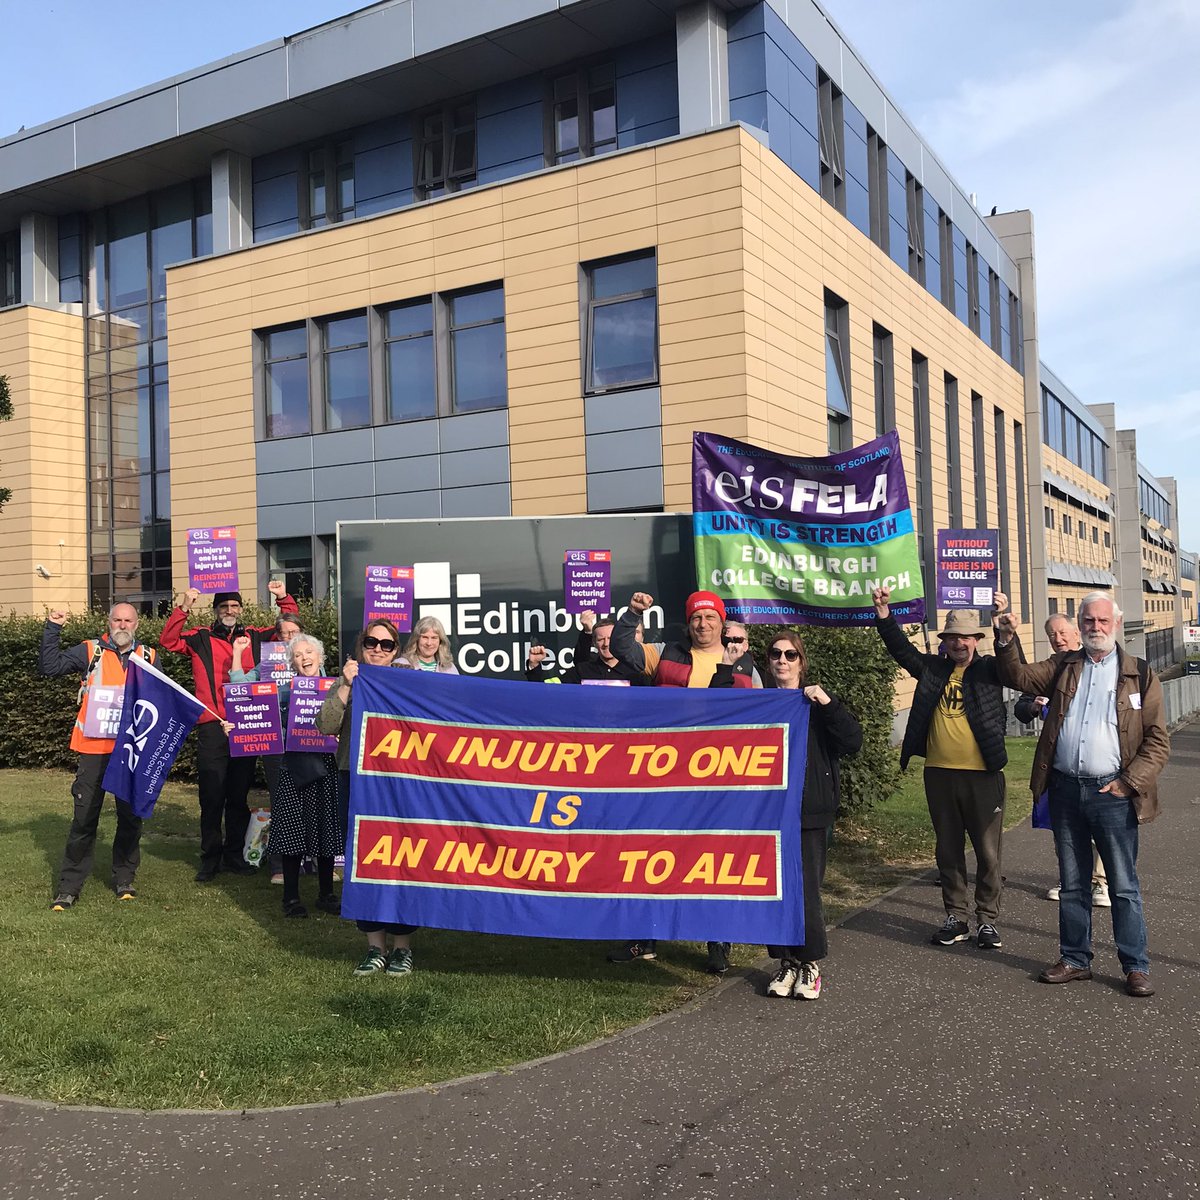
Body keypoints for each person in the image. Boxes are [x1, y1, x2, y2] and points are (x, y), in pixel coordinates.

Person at [995, 592, 1170, 997]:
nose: (1095, 628)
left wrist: (1129, 782)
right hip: (1066, 790)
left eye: (1102, 621)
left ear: (1116, 624)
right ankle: (1075, 959)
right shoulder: (1063, 666)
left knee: (1123, 886)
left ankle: (1135, 966)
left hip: (1114, 792)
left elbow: (1158, 741)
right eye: (1088, 621)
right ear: (1081, 625)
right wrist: (1005, 637)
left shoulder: (1140, 674)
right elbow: (1017, 677)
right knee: (1072, 883)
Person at [608, 588, 750, 972]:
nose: (703, 625)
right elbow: (623, 648)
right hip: (665, 773)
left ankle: (718, 939)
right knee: (653, 852)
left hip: (716, 778)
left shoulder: (743, 662)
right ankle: (645, 937)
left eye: (710, 618)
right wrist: (632, 614)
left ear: (722, 622)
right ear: (688, 623)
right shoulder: (665, 653)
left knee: (713, 857)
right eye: (696, 619)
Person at [872, 585, 1009, 950]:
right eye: (952, 638)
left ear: (976, 640)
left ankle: (987, 920)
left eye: (965, 637)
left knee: (988, 853)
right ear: (945, 641)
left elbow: (1015, 666)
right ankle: (956, 917)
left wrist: (1003, 629)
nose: (959, 644)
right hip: (940, 774)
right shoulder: (933, 669)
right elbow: (901, 651)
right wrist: (884, 614)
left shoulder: (990, 671)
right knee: (947, 850)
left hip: (983, 776)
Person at [160, 580, 298, 882]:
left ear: (241, 609)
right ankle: (210, 857)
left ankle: (235, 854)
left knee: (238, 794)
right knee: (211, 795)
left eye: (234, 606)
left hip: (248, 722)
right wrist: (184, 606)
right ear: (215, 610)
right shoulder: (200, 637)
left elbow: (291, 628)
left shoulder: (257, 636)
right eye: (224, 606)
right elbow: (168, 641)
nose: (229, 610)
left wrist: (282, 597)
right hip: (212, 723)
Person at [316, 620, 420, 976]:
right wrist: (345, 684)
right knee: (364, 860)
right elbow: (326, 725)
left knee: (402, 858)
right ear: (361, 645)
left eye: (387, 644)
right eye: (372, 642)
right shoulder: (349, 680)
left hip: (398, 784)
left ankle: (402, 947)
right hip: (355, 780)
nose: (378, 648)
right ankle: (374, 945)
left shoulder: (408, 683)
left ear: (396, 650)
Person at [762, 631, 862, 1001]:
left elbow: (852, 741)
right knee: (774, 890)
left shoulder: (816, 704)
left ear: (802, 662)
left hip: (808, 811)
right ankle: (785, 961)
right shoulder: (762, 702)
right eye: (776, 654)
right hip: (769, 811)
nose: (783, 661)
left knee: (805, 889)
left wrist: (827, 703)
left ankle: (810, 963)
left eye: (791, 655)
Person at [40, 602, 158, 909]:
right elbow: (50, 667)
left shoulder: (148, 656)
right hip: (93, 749)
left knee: (130, 819)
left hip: (131, 750)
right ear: (109, 622)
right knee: (84, 819)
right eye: (117, 619)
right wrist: (53, 628)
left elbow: (163, 699)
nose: (122, 625)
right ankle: (69, 887)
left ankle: (124, 879)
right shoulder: (90, 650)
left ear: (137, 624)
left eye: (128, 620)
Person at [230, 632, 340, 918]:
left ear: (320, 657)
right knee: (292, 832)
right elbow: (250, 704)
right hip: (294, 766)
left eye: (309, 653)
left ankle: (326, 894)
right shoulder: (286, 690)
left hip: (328, 765)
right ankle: (291, 898)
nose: (304, 658)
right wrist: (235, 726)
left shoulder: (338, 687)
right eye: (298, 655)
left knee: (326, 829)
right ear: (292, 662)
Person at [1013, 613, 1109, 907]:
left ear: (1078, 633)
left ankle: (1100, 882)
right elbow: (1020, 705)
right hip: (1058, 761)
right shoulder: (1047, 671)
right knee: (1063, 826)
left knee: (1098, 827)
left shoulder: (1100, 665)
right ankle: (1069, 878)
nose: (1058, 639)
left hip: (1096, 760)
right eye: (1052, 634)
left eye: (1063, 633)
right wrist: (1034, 705)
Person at [525, 609, 650, 685]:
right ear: (594, 643)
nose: (606, 644)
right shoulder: (581, 671)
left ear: (618, 640)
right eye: (601, 639)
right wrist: (534, 666)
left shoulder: (637, 673)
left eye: (610, 639)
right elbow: (544, 691)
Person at [721, 620, 763, 687]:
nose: (732, 644)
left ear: (746, 646)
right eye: (726, 640)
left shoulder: (753, 670)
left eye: (738, 640)